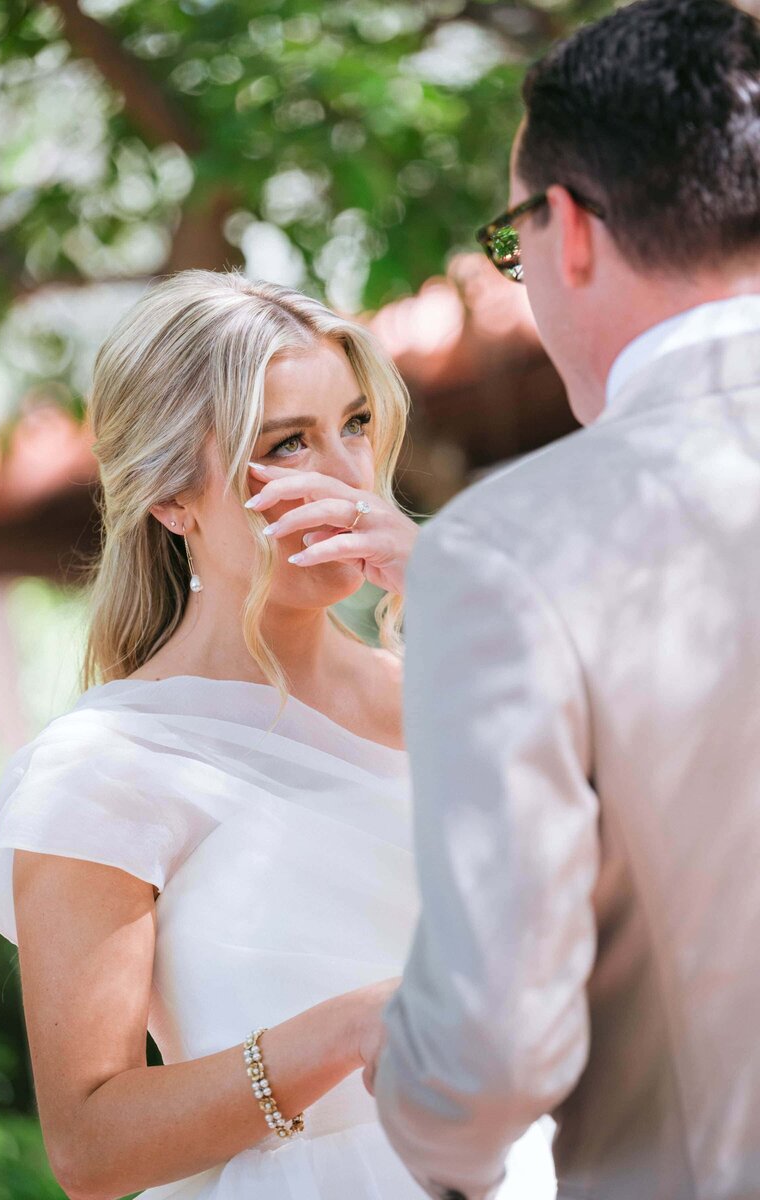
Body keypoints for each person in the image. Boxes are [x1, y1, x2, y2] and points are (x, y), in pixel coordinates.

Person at [0, 270, 556, 1200]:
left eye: (355, 425)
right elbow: (89, 1148)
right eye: (288, 443)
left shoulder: (463, 692)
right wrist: (348, 1030)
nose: (344, 473)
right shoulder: (107, 766)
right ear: (171, 497)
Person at [369, 2, 760, 1199]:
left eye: (510, 239)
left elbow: (488, 1052)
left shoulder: (506, 550)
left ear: (569, 228)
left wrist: (428, 1138)